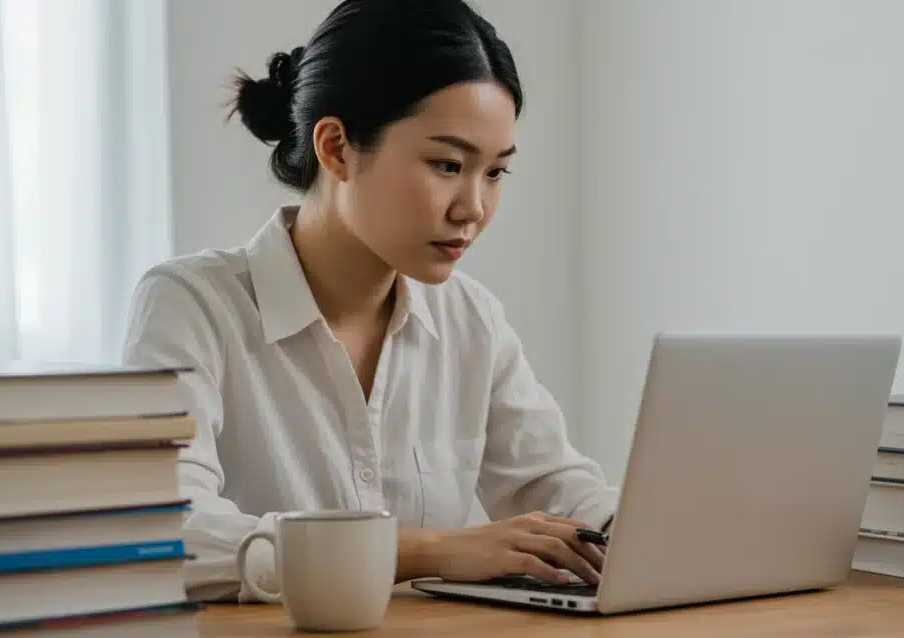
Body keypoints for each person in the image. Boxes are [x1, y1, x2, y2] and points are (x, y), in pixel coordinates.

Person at [122, 0, 619, 603]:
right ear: (335, 148)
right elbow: (169, 531)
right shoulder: (191, 306)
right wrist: (428, 551)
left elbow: (554, 486)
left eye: (494, 173)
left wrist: (639, 531)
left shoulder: (471, 319)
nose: (473, 209)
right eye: (448, 165)